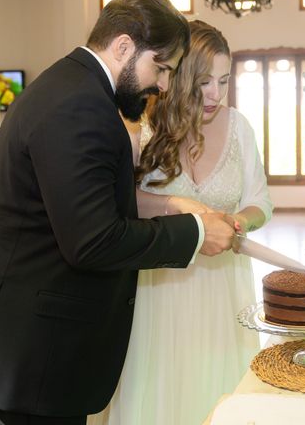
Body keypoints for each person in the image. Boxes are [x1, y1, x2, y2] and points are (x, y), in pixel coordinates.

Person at [0, 0, 236, 425]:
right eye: (159, 67)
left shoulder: (70, 86)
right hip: (26, 356)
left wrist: (168, 203)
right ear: (123, 46)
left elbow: (86, 198)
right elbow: (93, 240)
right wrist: (196, 232)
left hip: (18, 345)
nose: (162, 84)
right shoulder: (80, 106)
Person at [89, 21, 273, 425]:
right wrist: (181, 207)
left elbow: (261, 200)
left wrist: (238, 220)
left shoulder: (239, 127)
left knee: (220, 390)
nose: (216, 94)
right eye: (205, 81)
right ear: (180, 76)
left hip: (223, 289)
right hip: (163, 286)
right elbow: (124, 200)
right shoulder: (144, 128)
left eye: (224, 81)